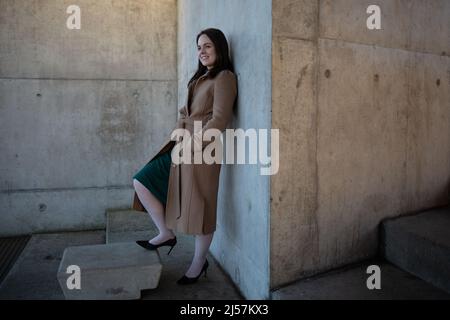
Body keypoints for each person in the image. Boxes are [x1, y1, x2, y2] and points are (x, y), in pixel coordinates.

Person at [132, 28, 238, 285]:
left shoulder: (224, 77)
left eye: (207, 46)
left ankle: (198, 262)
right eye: (199, 47)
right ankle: (165, 233)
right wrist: (179, 134)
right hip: (182, 145)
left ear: (219, 49)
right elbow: (184, 111)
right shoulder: (198, 79)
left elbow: (220, 119)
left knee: (202, 207)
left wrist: (194, 143)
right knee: (142, 180)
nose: (201, 51)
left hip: (204, 151)